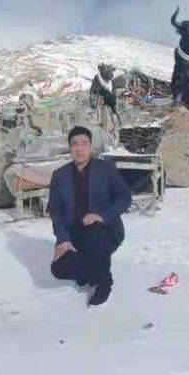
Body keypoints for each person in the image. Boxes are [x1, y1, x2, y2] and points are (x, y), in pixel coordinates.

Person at [48, 125, 131, 306]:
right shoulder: (59, 175)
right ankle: (94, 270)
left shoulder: (106, 169)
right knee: (58, 269)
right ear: (70, 148)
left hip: (104, 229)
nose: (80, 148)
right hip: (74, 234)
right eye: (75, 144)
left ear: (90, 146)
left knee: (95, 234)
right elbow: (55, 211)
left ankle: (104, 282)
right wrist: (64, 240)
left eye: (84, 143)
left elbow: (124, 197)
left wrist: (102, 216)